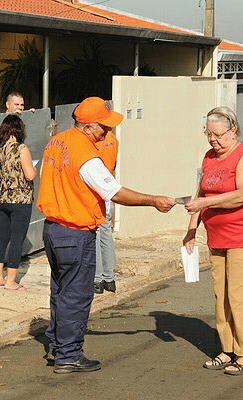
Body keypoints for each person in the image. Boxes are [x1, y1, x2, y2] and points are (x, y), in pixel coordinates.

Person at [37, 96, 176, 374]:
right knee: (76, 294)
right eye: (103, 126)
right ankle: (68, 354)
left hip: (53, 229)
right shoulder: (85, 153)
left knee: (61, 291)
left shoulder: (57, 142)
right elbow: (114, 192)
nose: (107, 131)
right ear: (87, 126)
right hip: (75, 232)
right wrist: (153, 200)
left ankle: (57, 345)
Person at [183, 106, 243, 376]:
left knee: (240, 296)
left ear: (233, 130)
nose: (213, 140)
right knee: (222, 296)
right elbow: (200, 193)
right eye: (209, 134)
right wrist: (191, 229)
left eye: (218, 135)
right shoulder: (209, 157)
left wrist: (205, 203)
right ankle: (228, 349)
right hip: (217, 237)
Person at [0, 114, 37, 291]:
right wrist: (35, 168)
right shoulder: (22, 149)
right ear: (19, 130)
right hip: (21, 200)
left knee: (2, 237)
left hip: (3, 199)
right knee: (17, 239)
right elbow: (29, 175)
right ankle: (11, 281)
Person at [94, 130, 118, 294]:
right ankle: (109, 278)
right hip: (109, 188)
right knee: (106, 233)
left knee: (95, 234)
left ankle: (97, 279)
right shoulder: (113, 139)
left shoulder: (95, 140)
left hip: (97, 191)